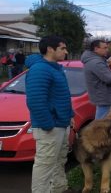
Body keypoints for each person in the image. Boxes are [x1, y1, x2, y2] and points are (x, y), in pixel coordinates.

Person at [25, 36, 74, 193]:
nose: (66, 52)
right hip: (50, 128)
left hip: (61, 123)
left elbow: (61, 95)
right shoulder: (40, 69)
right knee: (45, 165)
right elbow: (35, 101)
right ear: (50, 49)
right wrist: (48, 125)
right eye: (62, 48)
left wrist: (70, 115)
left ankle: (59, 188)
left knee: (59, 161)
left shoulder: (55, 67)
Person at [81, 40, 111, 119]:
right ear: (96, 49)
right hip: (105, 97)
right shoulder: (96, 62)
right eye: (105, 48)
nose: (107, 50)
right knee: (101, 125)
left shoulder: (94, 60)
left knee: (103, 123)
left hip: (102, 96)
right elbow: (109, 79)